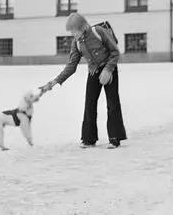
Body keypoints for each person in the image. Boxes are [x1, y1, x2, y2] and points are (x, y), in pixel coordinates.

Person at [39, 13, 127, 149]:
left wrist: (108, 70)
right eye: (71, 32)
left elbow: (115, 52)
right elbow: (71, 65)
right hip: (93, 71)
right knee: (89, 104)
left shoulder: (99, 32)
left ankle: (115, 137)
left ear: (83, 26)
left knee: (112, 102)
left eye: (74, 31)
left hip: (109, 68)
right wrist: (54, 82)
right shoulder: (77, 43)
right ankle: (89, 138)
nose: (73, 34)